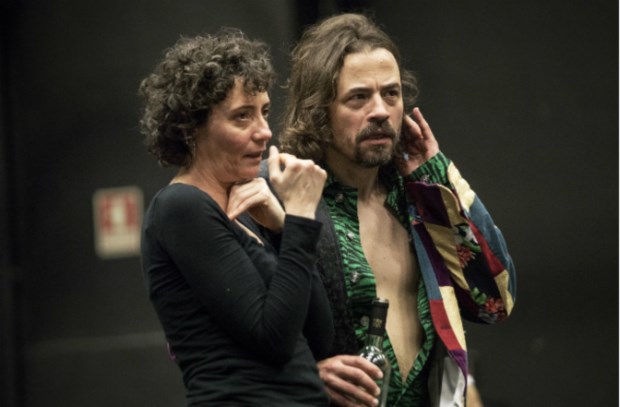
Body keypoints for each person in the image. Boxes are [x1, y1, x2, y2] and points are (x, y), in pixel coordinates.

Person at [276, 13, 517, 407]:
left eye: (391, 94)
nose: (380, 111)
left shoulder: (417, 198)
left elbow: (495, 301)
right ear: (318, 110)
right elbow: (234, 342)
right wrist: (303, 375)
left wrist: (434, 176)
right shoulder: (289, 202)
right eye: (358, 97)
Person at [138, 28, 333, 406]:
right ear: (191, 128)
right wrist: (300, 216)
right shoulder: (181, 206)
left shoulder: (245, 208)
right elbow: (273, 340)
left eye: (264, 112)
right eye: (242, 117)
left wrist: (282, 227)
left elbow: (320, 335)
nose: (264, 132)